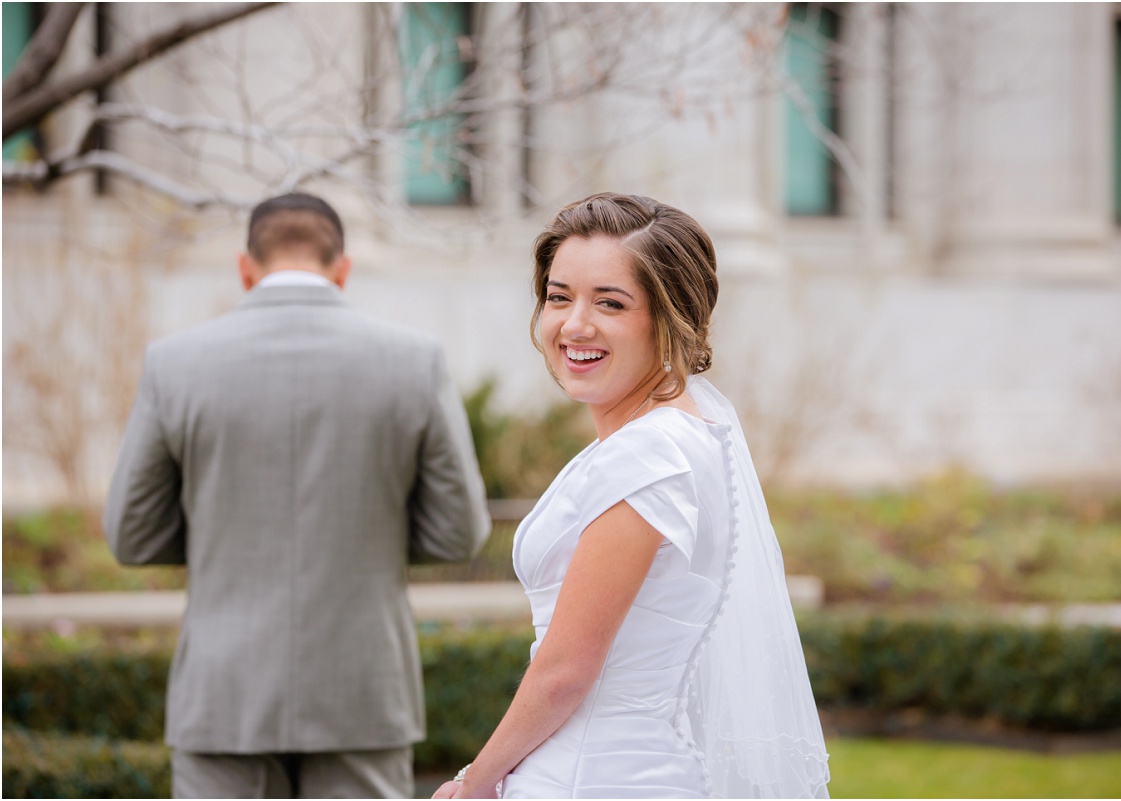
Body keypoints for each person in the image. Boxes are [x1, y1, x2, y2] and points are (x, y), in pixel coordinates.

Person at [435, 192, 829, 799]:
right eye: (559, 296)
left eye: (610, 303)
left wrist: (474, 782)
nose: (574, 325)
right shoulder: (692, 433)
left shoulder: (648, 454)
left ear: (669, 318)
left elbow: (565, 672)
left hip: (593, 778)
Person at [104, 191, 491, 799]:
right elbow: (459, 531)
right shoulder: (414, 360)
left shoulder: (174, 363)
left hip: (222, 692)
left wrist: (216, 530)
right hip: (361, 691)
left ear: (245, 268)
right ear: (343, 269)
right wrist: (373, 532)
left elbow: (133, 535)